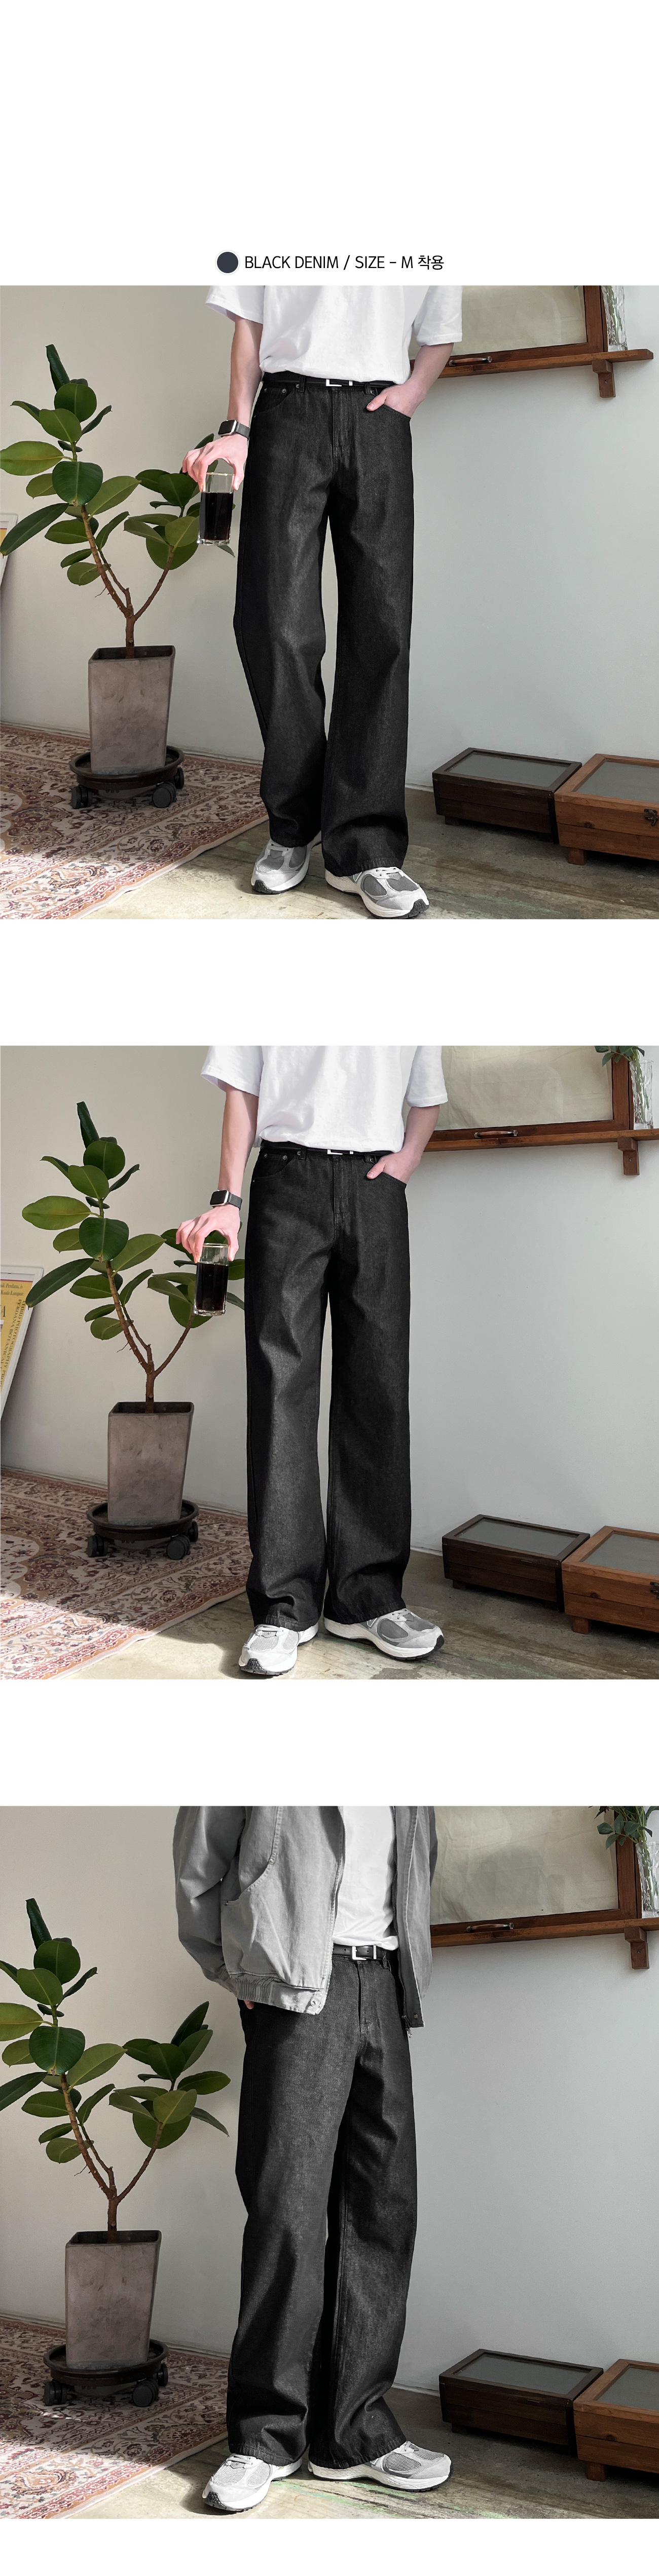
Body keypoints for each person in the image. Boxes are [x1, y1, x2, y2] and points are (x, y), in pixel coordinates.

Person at [173, 1804, 451, 2514]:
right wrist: (244, 1974)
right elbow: (199, 1866)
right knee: (287, 2213)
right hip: (295, 1984)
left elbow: (419, 1861)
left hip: (383, 1980)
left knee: (382, 2210)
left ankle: (353, 2432)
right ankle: (265, 2437)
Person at [182, 278, 462, 919]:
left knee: (381, 628)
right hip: (286, 411)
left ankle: (365, 848)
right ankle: (291, 827)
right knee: (276, 623)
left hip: (377, 419)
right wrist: (237, 427)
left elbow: (440, 330)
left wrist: (410, 395)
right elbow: (249, 325)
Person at [177, 1045, 447, 1676]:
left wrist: (407, 1159)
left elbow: (427, 1094)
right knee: (281, 1387)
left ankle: (367, 1597)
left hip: (376, 1188)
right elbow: (241, 1090)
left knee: (379, 1385)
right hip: (286, 1180)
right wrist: (227, 1198)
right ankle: (284, 1606)